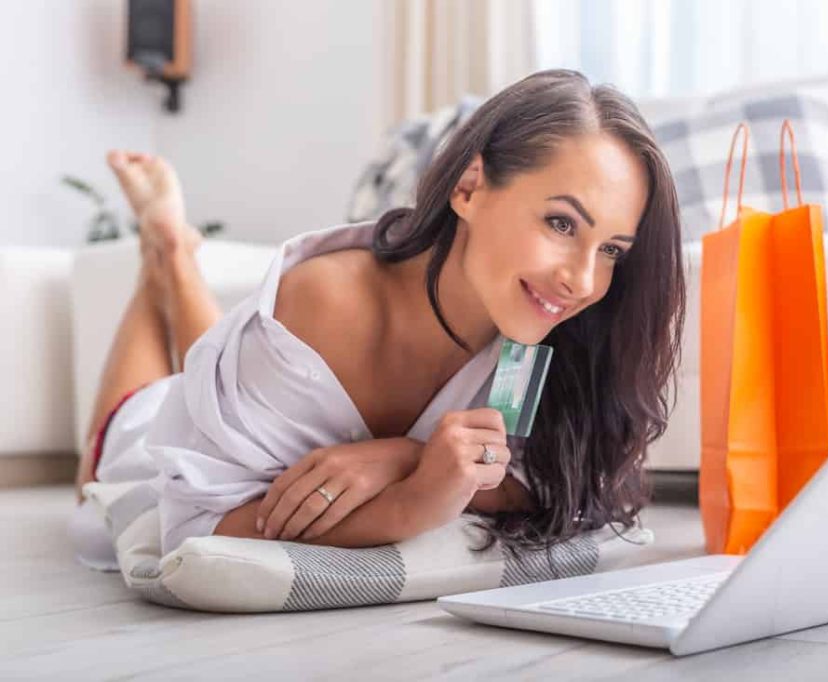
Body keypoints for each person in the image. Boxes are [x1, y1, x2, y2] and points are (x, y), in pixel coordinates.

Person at [73, 69, 685, 558]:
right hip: (150, 439)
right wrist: (410, 503)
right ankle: (167, 252)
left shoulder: (544, 333)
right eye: (560, 223)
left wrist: (402, 455)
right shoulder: (324, 301)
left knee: (209, 355)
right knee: (139, 418)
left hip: (250, 401)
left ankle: (172, 250)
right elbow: (198, 528)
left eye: (610, 251)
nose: (581, 280)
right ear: (469, 188)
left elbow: (554, 483)